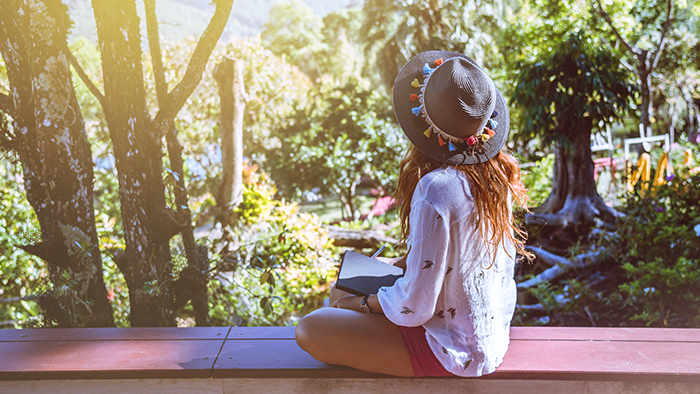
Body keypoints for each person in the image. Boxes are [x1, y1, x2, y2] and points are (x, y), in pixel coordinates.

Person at [295, 51, 529, 377]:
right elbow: (460, 263)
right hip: (487, 339)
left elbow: (416, 307)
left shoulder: (436, 189)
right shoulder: (496, 179)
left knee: (310, 328)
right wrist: (398, 268)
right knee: (343, 289)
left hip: (449, 351)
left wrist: (362, 304)